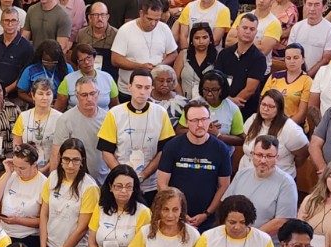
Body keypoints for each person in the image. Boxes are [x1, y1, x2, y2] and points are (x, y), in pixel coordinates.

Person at [99, 69, 176, 205]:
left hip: (151, 185)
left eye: (147, 87)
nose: (142, 92)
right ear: (129, 87)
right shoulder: (114, 113)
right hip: (120, 185)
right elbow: (106, 152)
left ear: (152, 88)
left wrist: (143, 175)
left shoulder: (160, 113)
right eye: (138, 87)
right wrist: (124, 177)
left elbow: (164, 150)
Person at [157, 100, 231, 232]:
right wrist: (178, 212)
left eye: (204, 119)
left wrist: (207, 214)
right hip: (174, 217)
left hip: (207, 220)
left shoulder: (221, 149)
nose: (200, 124)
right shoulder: (172, 146)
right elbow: (162, 184)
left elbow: (224, 186)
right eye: (195, 120)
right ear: (186, 122)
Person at [40, 139, 100, 247]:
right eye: (66, 159)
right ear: (60, 159)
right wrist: (43, 246)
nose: (70, 165)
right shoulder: (53, 177)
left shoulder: (89, 187)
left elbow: (82, 228)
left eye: (75, 160)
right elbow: (44, 214)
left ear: (82, 161)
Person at [225, 135, 298, 237]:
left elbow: (281, 221)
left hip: (265, 243)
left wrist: (249, 236)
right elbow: (226, 206)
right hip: (235, 237)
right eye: (259, 155)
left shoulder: (286, 183)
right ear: (252, 155)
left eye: (269, 156)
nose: (263, 160)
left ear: (277, 158)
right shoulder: (241, 174)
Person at [111, 0, 178, 102]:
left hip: (155, 91)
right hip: (129, 91)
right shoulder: (126, 30)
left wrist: (160, 66)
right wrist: (140, 67)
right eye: (149, 19)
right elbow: (115, 60)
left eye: (157, 20)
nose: (153, 23)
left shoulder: (164, 28)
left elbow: (173, 54)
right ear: (141, 13)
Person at [53, 77, 110, 184]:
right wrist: (54, 182)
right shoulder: (65, 120)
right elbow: (57, 153)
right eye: (84, 95)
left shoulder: (109, 118)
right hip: (75, 182)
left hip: (104, 180)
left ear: (98, 94)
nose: (89, 98)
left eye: (93, 93)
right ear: (77, 96)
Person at [0, 144, 47, 247]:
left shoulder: (44, 184)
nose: (17, 171)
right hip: (4, 234)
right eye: (15, 166)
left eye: (22, 168)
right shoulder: (12, 175)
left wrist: (18, 220)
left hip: (28, 238)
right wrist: (8, 172)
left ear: (34, 165)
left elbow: (44, 221)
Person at [240, 91, 308, 179]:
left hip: (277, 179)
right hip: (247, 175)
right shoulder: (252, 119)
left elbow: (303, 153)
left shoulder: (290, 128)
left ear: (279, 108)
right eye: (263, 104)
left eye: (271, 106)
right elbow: (244, 139)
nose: (265, 109)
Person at [177, 71, 245, 153]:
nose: (209, 94)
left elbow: (241, 140)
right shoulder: (193, 105)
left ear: (222, 89)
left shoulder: (232, 108)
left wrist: (219, 135)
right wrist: (204, 130)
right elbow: (179, 131)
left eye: (214, 90)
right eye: (205, 89)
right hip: (194, 153)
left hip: (222, 155)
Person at [214, 13, 267, 120]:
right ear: (237, 29)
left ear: (256, 32)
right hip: (221, 104)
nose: (248, 32)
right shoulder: (224, 54)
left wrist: (231, 104)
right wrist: (227, 100)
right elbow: (216, 81)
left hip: (244, 110)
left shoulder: (259, 58)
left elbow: (250, 89)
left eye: (252, 29)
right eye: (245, 28)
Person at [0, 6, 34, 99]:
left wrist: (5, 91)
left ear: (18, 23)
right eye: (6, 20)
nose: (10, 24)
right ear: (1, 23)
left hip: (15, 96)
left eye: (13, 20)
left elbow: (24, 76)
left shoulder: (27, 47)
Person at [13, 78, 62, 171]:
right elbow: (17, 146)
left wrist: (44, 170)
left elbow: (59, 152)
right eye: (40, 94)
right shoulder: (23, 116)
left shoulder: (60, 118)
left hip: (52, 169)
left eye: (48, 94)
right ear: (33, 95)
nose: (45, 97)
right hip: (26, 169)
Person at [55, 43, 119, 111]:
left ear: (94, 58)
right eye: (82, 60)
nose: (87, 62)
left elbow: (115, 107)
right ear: (77, 63)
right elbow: (59, 109)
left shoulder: (107, 78)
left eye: (89, 57)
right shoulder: (68, 79)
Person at [261, 44, 313, 127]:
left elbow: (302, 114)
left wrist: (283, 127)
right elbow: (262, 101)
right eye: (288, 58)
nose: (292, 61)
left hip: (293, 126)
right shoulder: (274, 76)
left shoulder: (307, 81)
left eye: (296, 58)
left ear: (303, 59)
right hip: (269, 122)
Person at [226, 0, 282, 75]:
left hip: (257, 71)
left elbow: (263, 51)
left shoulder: (274, 23)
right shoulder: (243, 17)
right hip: (235, 66)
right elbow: (228, 42)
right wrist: (253, 43)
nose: (261, 1)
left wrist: (240, 40)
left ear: (272, 2)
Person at [287, 0, 331, 78]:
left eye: (317, 5)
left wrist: (306, 77)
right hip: (294, 75)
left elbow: (326, 60)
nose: (312, 9)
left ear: (324, 7)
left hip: (318, 77)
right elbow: (289, 53)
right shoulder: (297, 27)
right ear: (305, 5)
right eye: (309, 4)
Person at [17, 40, 73, 106]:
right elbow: (21, 93)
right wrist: (36, 101)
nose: (49, 65)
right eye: (46, 61)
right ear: (40, 57)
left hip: (61, 107)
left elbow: (73, 90)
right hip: (37, 106)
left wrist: (60, 101)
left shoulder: (67, 68)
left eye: (53, 62)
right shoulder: (30, 70)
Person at [174, 22, 217, 100]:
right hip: (186, 101)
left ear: (210, 38)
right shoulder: (183, 54)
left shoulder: (217, 56)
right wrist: (181, 98)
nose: (201, 41)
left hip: (210, 102)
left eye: (205, 37)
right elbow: (174, 78)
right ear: (191, 40)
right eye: (197, 38)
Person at [75, 2, 119, 76]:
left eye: (103, 15)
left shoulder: (116, 34)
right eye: (96, 15)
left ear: (108, 17)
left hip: (109, 76)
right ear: (89, 17)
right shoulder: (82, 33)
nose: (100, 18)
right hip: (86, 76)